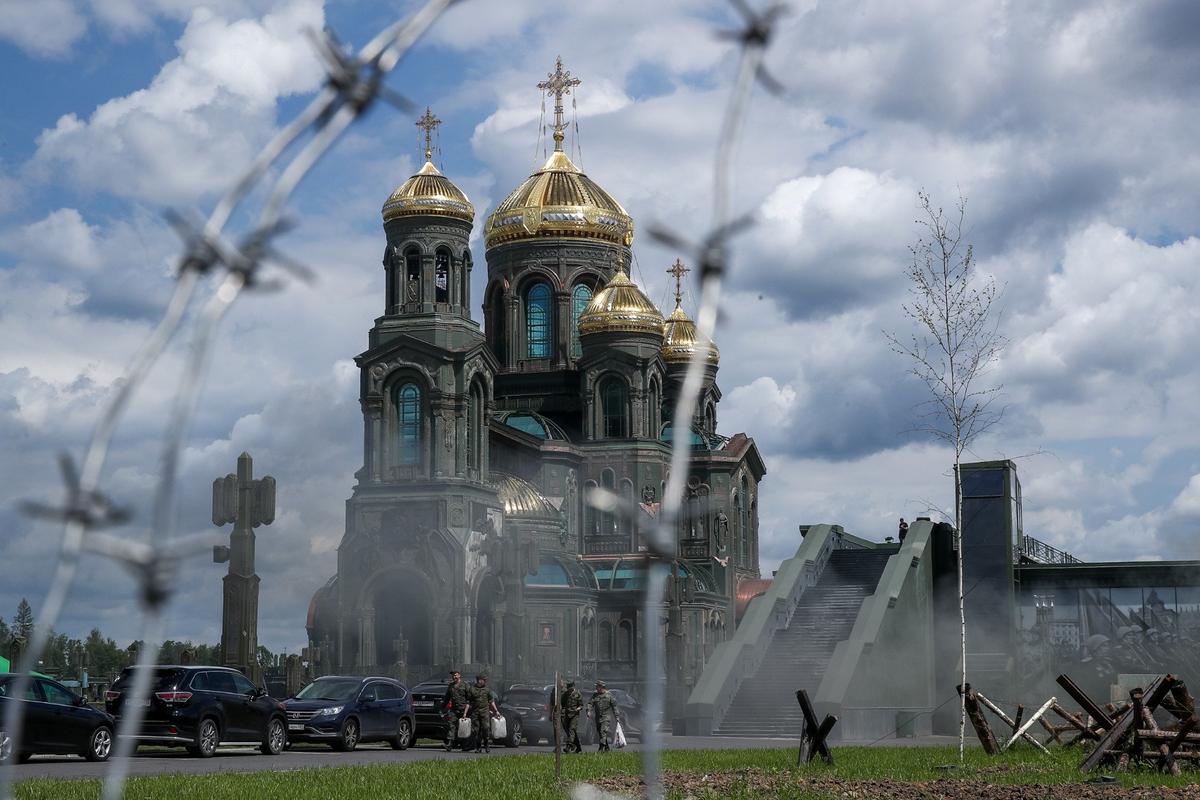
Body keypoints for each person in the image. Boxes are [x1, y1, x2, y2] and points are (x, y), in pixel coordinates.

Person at [462, 673, 500, 753]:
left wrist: (496, 711)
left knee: (486, 728)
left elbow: (491, 701)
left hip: (485, 712)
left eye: (484, 680)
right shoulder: (472, 689)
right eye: (482, 680)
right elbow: (468, 702)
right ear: (478, 680)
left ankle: (486, 744)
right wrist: (465, 713)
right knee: (476, 730)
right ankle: (478, 747)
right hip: (475, 713)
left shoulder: (487, 690)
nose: (483, 681)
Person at [441, 669, 469, 751]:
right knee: (451, 726)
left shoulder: (465, 685)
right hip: (454, 709)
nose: (454, 677)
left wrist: (467, 710)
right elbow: (447, 698)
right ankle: (449, 744)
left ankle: (465, 745)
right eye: (453, 675)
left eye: (456, 675)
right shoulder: (451, 686)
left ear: (459, 675)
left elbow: (469, 698)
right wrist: (442, 707)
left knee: (464, 728)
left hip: (464, 710)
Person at [587, 680, 619, 752]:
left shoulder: (609, 695)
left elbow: (614, 707)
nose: (596, 688)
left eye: (597, 686)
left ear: (601, 687)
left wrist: (617, 717)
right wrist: (588, 711)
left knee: (603, 731)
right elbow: (590, 703)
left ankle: (601, 748)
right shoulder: (595, 695)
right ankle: (607, 747)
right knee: (600, 733)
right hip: (598, 718)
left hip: (606, 717)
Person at [560, 679, 584, 753]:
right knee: (570, 732)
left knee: (572, 729)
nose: (569, 691)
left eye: (570, 689)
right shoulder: (566, 694)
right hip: (567, 715)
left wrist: (578, 709)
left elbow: (581, 705)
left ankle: (568, 746)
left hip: (574, 715)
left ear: (573, 687)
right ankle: (578, 747)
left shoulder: (578, 694)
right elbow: (562, 703)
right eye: (568, 689)